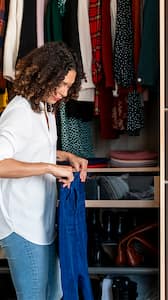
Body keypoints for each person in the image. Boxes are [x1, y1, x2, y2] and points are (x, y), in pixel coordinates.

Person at [0, 41, 88, 299]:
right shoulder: (20, 111)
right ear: (43, 74)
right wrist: (51, 167)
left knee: (54, 294)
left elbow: (32, 148)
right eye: (60, 83)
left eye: (69, 86)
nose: (63, 91)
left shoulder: (45, 109)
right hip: (21, 224)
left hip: (41, 221)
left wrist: (66, 156)